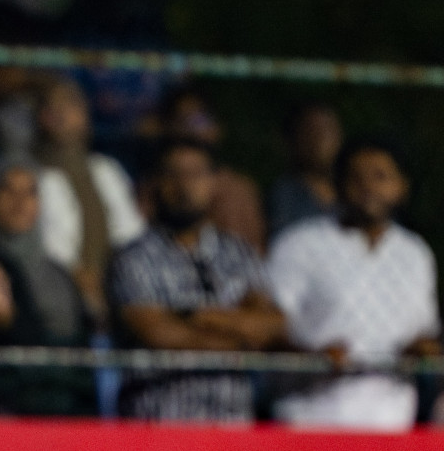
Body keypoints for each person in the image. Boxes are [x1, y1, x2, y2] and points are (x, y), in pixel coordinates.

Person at [267, 138, 439, 431]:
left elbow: (426, 332)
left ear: (402, 187)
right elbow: (268, 327)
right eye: (356, 177)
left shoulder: (416, 253)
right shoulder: (300, 243)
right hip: (310, 419)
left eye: (381, 176)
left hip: (393, 425)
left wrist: (422, 349)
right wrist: (313, 356)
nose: (368, 187)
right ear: (337, 184)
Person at [110, 139, 285, 423]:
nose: (184, 185)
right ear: (155, 183)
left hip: (232, 425)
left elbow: (272, 326)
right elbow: (160, 334)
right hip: (159, 422)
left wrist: (198, 316)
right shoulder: (133, 258)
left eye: (195, 174)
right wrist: (242, 341)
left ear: (215, 182)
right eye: (172, 174)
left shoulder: (239, 253)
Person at [0, 157, 95, 415]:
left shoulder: (61, 274)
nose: (20, 203)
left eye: (30, 192)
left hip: (64, 399)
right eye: (8, 190)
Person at [34, 78, 145, 319]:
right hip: (56, 286)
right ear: (41, 116)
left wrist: (107, 277)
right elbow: (42, 246)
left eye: (70, 104)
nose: (61, 113)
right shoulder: (33, 175)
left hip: (113, 283)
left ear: (85, 114)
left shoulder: (106, 170)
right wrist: (79, 276)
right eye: (52, 107)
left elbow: (131, 234)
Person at [153, 86, 265, 251]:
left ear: (216, 128)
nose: (189, 129)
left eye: (198, 120)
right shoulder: (155, 185)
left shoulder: (239, 190)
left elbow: (255, 251)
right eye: (181, 120)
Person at [267, 103, 343, 237]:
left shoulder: (352, 191)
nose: (321, 141)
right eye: (312, 132)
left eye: (328, 131)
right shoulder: (283, 196)